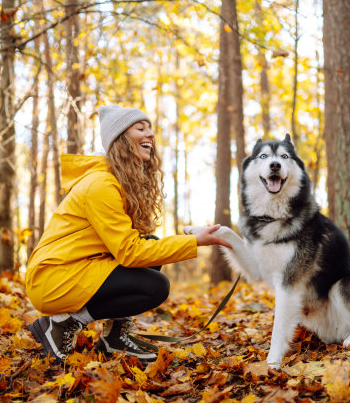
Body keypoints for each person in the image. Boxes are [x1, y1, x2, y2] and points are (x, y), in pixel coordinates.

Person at [26, 105, 230, 362]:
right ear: (120, 138)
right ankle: (65, 323)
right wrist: (193, 242)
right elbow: (130, 253)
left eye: (150, 128)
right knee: (155, 287)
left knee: (152, 249)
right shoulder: (100, 185)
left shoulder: (117, 182)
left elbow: (134, 247)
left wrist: (189, 238)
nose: (151, 135)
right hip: (53, 278)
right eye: (140, 128)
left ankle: (114, 337)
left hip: (76, 269)